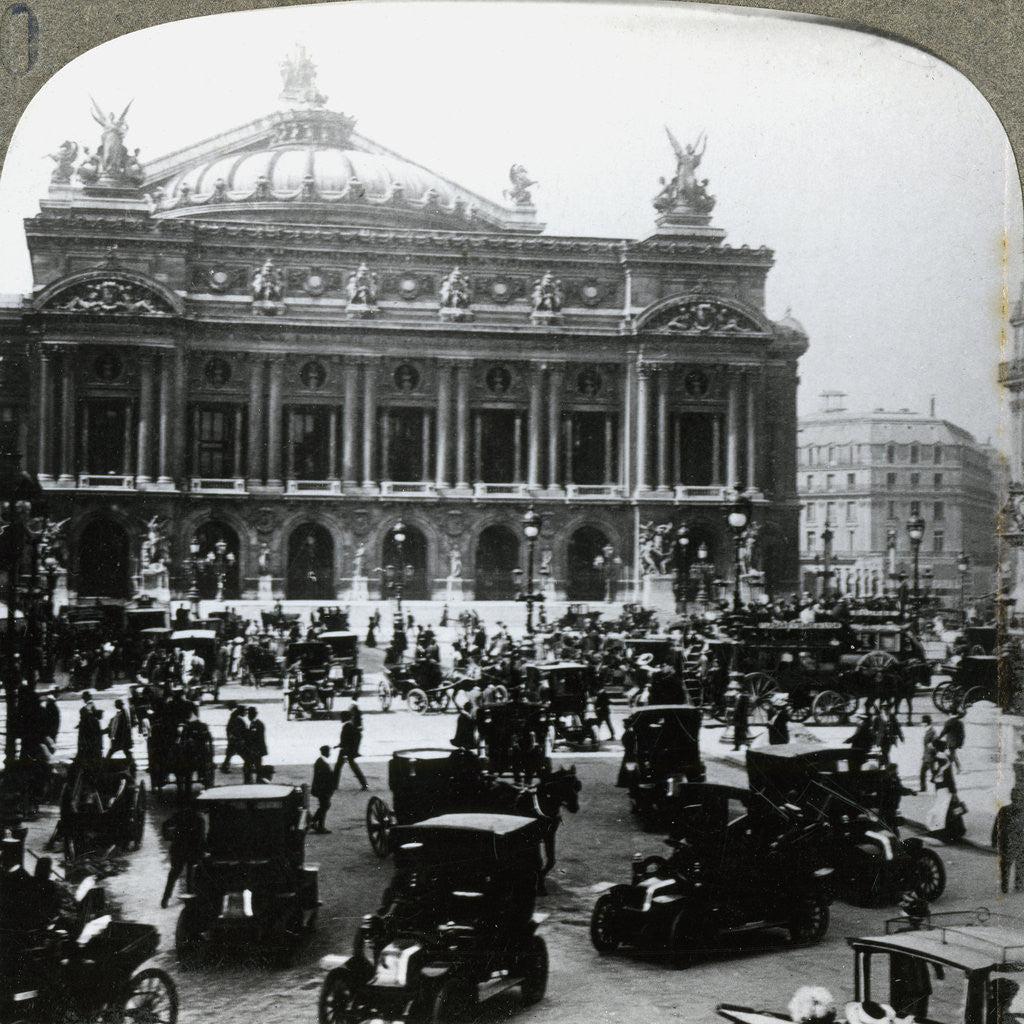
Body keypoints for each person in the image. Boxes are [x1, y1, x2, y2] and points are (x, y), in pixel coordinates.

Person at [161, 796, 206, 907]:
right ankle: (190, 899)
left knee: (173, 875)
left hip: (178, 849)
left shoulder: (180, 815)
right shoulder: (199, 820)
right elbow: (201, 838)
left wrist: (168, 837)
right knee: (190, 875)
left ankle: (165, 899)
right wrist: (202, 851)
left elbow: (165, 825)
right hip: (192, 850)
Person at [993, 803, 1024, 893]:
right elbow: (997, 825)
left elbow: (996, 826)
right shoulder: (1004, 810)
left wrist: (994, 839)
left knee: (1016, 864)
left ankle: (1013, 886)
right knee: (1009, 864)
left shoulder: (1004, 809)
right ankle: (1010, 886)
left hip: (1013, 842)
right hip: (1009, 842)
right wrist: (994, 839)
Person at [334, 709, 368, 790]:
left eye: (341, 717)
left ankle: (334, 785)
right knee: (353, 768)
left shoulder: (347, 727)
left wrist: (343, 746)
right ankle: (364, 785)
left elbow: (346, 740)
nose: (340, 719)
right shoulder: (351, 726)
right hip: (348, 751)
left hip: (345, 751)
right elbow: (357, 737)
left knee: (338, 768)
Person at [310, 746, 335, 834]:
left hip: (322, 789)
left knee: (324, 806)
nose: (330, 754)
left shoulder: (320, 761)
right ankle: (315, 823)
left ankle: (316, 824)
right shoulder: (322, 763)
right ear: (325, 752)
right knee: (325, 806)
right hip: (323, 789)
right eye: (329, 752)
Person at [76, 691, 104, 761]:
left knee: (88, 748)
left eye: (84, 698)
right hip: (91, 730)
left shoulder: (89, 706)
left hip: (88, 732)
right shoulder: (91, 706)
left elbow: (87, 716)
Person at [221, 705, 248, 773]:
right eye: (245, 711)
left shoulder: (234, 718)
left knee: (229, 755)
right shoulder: (238, 719)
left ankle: (224, 767)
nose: (246, 713)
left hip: (233, 740)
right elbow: (244, 730)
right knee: (245, 755)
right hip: (237, 741)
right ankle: (250, 766)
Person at [244, 706, 267, 784]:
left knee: (256, 765)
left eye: (250, 714)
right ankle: (255, 780)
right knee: (255, 765)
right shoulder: (254, 723)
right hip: (255, 749)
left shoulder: (257, 724)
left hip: (257, 749)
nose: (249, 716)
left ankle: (254, 780)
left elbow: (257, 738)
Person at [919, 714, 938, 792]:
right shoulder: (928, 731)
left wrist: (932, 748)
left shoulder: (932, 731)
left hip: (930, 756)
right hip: (926, 756)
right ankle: (923, 788)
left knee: (932, 773)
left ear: (926, 723)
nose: (922, 724)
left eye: (923, 722)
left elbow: (935, 743)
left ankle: (939, 787)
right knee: (923, 773)